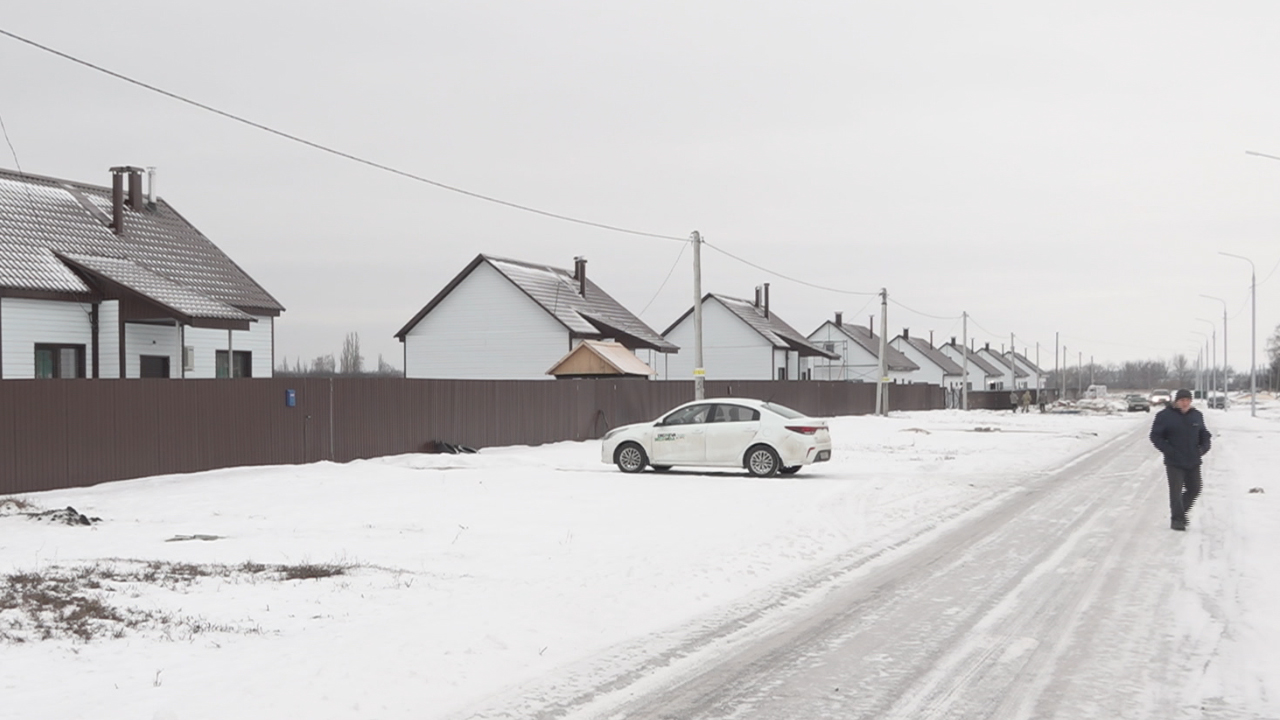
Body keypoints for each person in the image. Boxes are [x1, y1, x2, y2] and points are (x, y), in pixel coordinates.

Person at [1149, 389, 1212, 531]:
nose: (1185, 403)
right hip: (1174, 461)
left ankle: (1180, 512)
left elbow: (1204, 434)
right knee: (1176, 491)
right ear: (1176, 401)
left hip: (1193, 459)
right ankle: (1177, 520)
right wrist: (1169, 450)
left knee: (1195, 489)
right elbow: (1155, 436)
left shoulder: (1196, 415)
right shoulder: (1164, 416)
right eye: (1182, 400)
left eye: (1187, 400)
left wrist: (1203, 448)